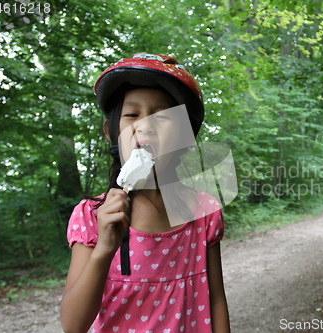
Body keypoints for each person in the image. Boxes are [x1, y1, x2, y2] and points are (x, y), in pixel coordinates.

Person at [60, 53, 230, 333]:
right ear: (111, 132)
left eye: (162, 117)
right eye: (131, 115)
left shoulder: (203, 210)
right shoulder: (92, 216)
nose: (145, 125)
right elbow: (72, 325)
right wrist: (104, 249)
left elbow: (216, 300)